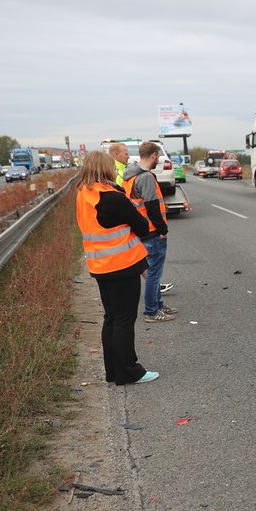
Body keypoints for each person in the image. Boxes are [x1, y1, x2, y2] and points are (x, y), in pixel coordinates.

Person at [75, 150, 159, 385]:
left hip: (100, 265)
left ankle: (113, 372)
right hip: (123, 265)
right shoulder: (112, 196)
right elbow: (142, 226)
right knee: (124, 319)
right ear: (106, 169)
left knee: (111, 317)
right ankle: (130, 372)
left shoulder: (84, 193)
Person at [122, 141, 178, 323]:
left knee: (152, 271)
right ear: (153, 155)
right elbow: (152, 206)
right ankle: (151, 312)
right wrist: (163, 230)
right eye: (158, 157)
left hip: (141, 229)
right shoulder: (145, 177)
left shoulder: (129, 175)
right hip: (152, 231)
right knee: (154, 273)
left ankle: (158, 305)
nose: (158, 160)